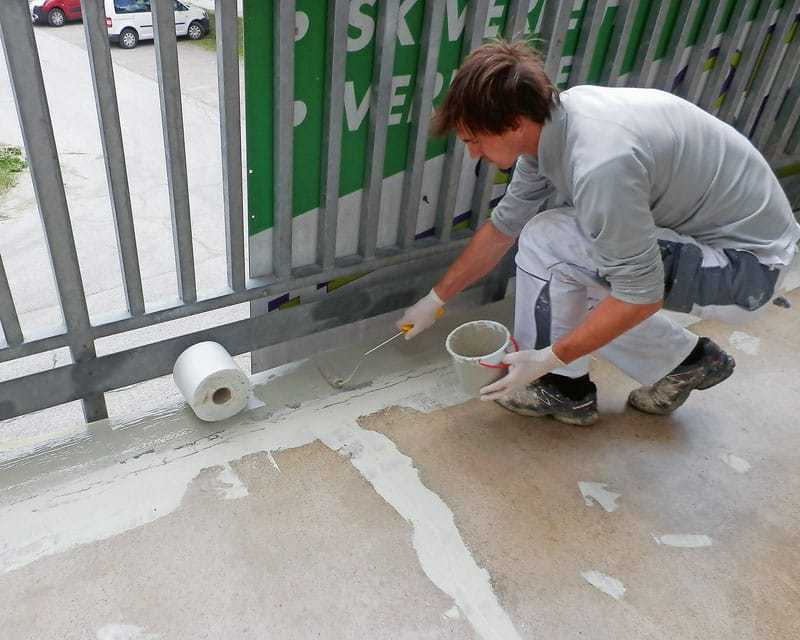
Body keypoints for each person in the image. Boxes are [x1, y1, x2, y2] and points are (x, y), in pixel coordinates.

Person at [397, 40, 800, 426]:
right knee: (573, 273)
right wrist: (436, 300)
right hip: (729, 245)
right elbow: (503, 227)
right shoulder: (553, 123)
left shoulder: (600, 163)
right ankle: (687, 362)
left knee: (549, 243)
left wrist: (549, 358)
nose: (472, 152)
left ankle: (558, 387)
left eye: (475, 140)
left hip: (747, 270)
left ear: (514, 123)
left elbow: (639, 295)